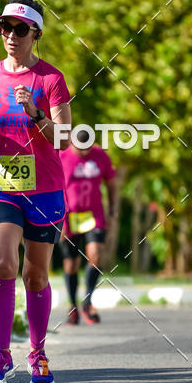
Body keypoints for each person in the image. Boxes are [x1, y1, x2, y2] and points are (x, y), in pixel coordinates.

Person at [0, 0, 72, 383]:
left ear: (36, 34)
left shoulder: (51, 79)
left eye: (20, 29)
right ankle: (1, 355)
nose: (11, 35)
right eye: (5, 27)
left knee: (35, 275)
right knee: (4, 263)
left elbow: (64, 140)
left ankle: (37, 352)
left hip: (44, 189)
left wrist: (36, 115)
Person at [60, 128, 117, 324]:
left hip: (94, 215)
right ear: (72, 142)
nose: (84, 152)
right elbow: (55, 187)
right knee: (71, 263)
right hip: (69, 216)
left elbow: (111, 184)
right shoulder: (62, 157)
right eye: (80, 149)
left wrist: (112, 211)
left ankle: (88, 302)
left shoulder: (100, 156)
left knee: (96, 256)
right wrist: (58, 218)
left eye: (88, 148)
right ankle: (72, 305)